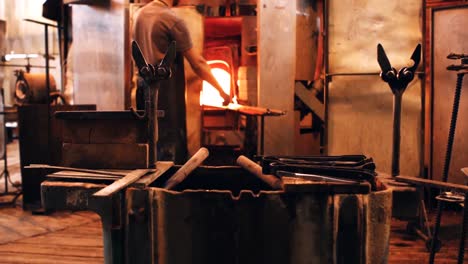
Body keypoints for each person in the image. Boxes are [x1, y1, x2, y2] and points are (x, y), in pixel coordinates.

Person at [133, 0, 231, 163]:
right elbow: (198, 64)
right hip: (166, 92)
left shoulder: (139, 16)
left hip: (142, 88)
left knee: (148, 141)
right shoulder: (172, 19)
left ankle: (150, 183)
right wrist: (222, 92)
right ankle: (169, 185)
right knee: (170, 147)